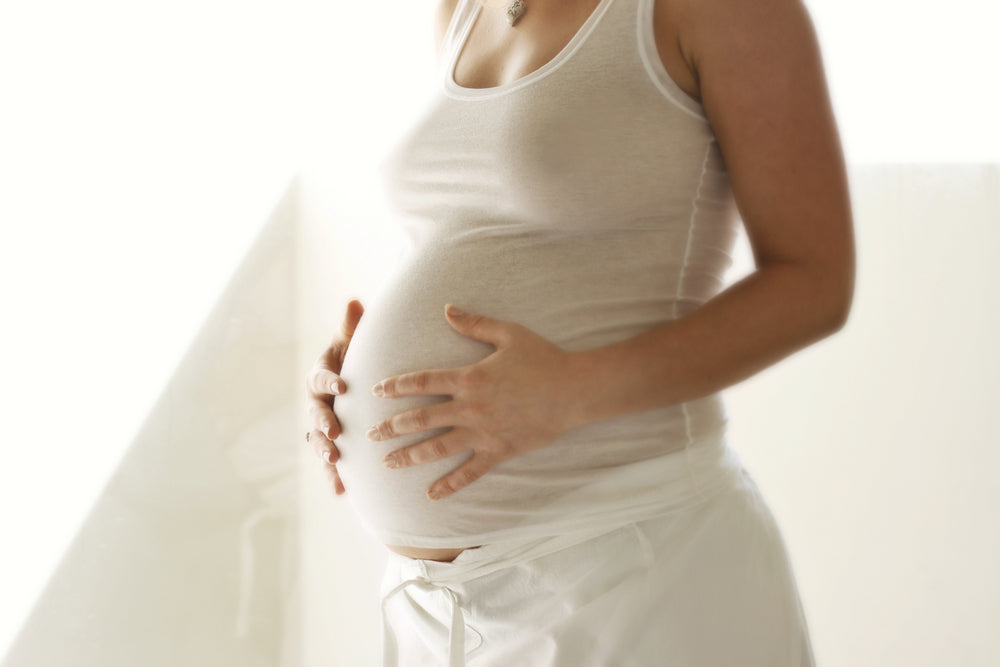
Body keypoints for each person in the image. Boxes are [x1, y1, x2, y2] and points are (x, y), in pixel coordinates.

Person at [305, 0, 854, 663]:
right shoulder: (461, 7)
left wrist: (571, 390)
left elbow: (815, 281)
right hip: (436, 611)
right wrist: (354, 371)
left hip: (633, 569)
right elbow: (489, 231)